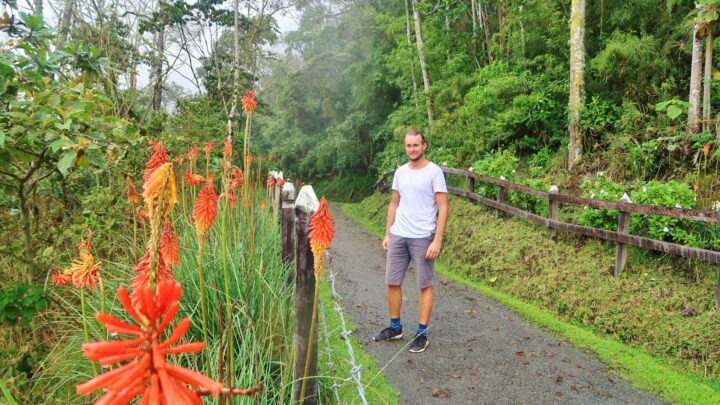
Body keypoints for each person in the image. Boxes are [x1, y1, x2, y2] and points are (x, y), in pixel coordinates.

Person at [372, 129, 448, 353]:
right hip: (399, 234)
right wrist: (388, 233)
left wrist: (437, 240)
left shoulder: (434, 172)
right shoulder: (400, 172)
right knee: (392, 281)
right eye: (408, 145)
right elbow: (394, 203)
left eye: (416, 145)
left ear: (424, 145)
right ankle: (395, 327)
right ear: (405, 147)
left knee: (424, 284)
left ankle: (422, 334)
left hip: (423, 235)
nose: (412, 149)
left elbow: (443, 207)